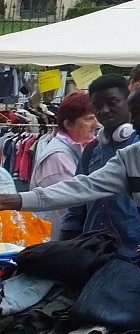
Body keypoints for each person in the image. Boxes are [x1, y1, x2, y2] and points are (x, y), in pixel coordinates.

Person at [0, 80, 140, 231]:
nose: (132, 120)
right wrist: (14, 200)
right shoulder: (131, 157)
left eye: (137, 113)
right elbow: (81, 188)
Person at [57, 75, 140, 257]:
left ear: (128, 101)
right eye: (97, 107)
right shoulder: (91, 151)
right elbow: (76, 206)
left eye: (112, 102)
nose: (104, 111)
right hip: (94, 253)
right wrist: (61, 252)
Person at [29, 91, 99, 239]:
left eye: (95, 118)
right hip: (57, 244)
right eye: (89, 119)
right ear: (68, 124)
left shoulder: (80, 148)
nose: (95, 124)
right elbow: (71, 203)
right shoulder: (58, 157)